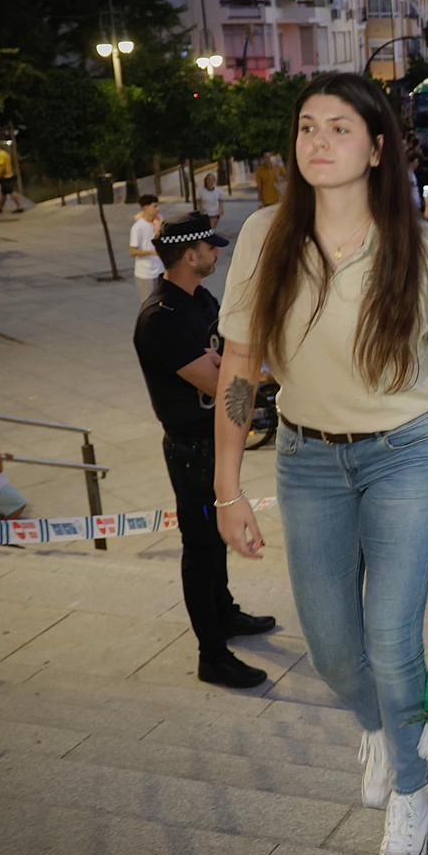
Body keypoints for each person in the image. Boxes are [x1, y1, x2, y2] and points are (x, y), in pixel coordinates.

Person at [213, 73, 428, 855]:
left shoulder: (418, 247)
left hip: (406, 455)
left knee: (391, 635)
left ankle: (412, 788)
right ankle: (381, 726)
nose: (318, 142)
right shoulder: (265, 236)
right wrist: (226, 488)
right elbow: (238, 365)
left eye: (338, 128)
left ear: (375, 150)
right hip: (305, 460)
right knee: (331, 648)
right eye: (306, 128)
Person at [132, 214, 276, 689]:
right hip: (191, 448)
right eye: (210, 248)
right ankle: (211, 655)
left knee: (217, 540)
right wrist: (255, 373)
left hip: (212, 440)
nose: (217, 254)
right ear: (189, 254)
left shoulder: (200, 299)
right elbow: (218, 377)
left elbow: (227, 354)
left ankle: (225, 613)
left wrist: (234, 366)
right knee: (201, 547)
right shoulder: (161, 318)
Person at [129, 194, 166, 301]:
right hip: (145, 273)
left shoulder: (158, 223)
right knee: (149, 303)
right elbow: (132, 251)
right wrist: (152, 253)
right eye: (155, 206)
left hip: (160, 270)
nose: (158, 209)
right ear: (145, 208)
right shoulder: (138, 227)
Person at [0, 142, 25, 212]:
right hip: (8, 175)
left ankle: (19, 206)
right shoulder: (6, 153)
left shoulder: (0, 155)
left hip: (4, 176)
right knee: (4, 193)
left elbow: (2, 166)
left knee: (11, 191)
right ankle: (0, 207)